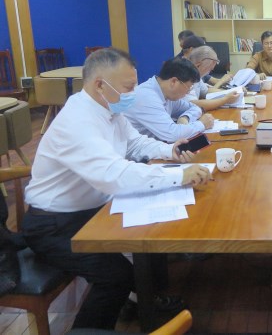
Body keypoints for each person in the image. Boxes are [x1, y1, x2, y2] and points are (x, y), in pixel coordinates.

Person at [22, 48, 212, 330]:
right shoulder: (77, 121)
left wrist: (170, 151)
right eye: (128, 87)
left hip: (92, 207)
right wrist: (178, 175)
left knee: (153, 233)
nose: (133, 93)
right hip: (54, 224)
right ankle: (89, 329)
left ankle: (147, 298)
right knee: (115, 277)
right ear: (100, 84)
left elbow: (135, 143)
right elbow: (113, 175)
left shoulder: (108, 109)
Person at [124, 57, 214, 143]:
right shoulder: (147, 97)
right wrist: (202, 124)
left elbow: (195, 108)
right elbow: (172, 135)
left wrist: (185, 117)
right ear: (174, 82)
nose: (188, 92)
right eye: (188, 87)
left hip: (156, 146)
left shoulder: (167, 94)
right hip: (135, 152)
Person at [184, 46, 241, 110]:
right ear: (198, 65)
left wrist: (233, 92)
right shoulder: (186, 75)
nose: (213, 69)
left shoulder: (197, 76)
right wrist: (225, 100)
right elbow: (193, 104)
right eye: (209, 69)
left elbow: (207, 91)